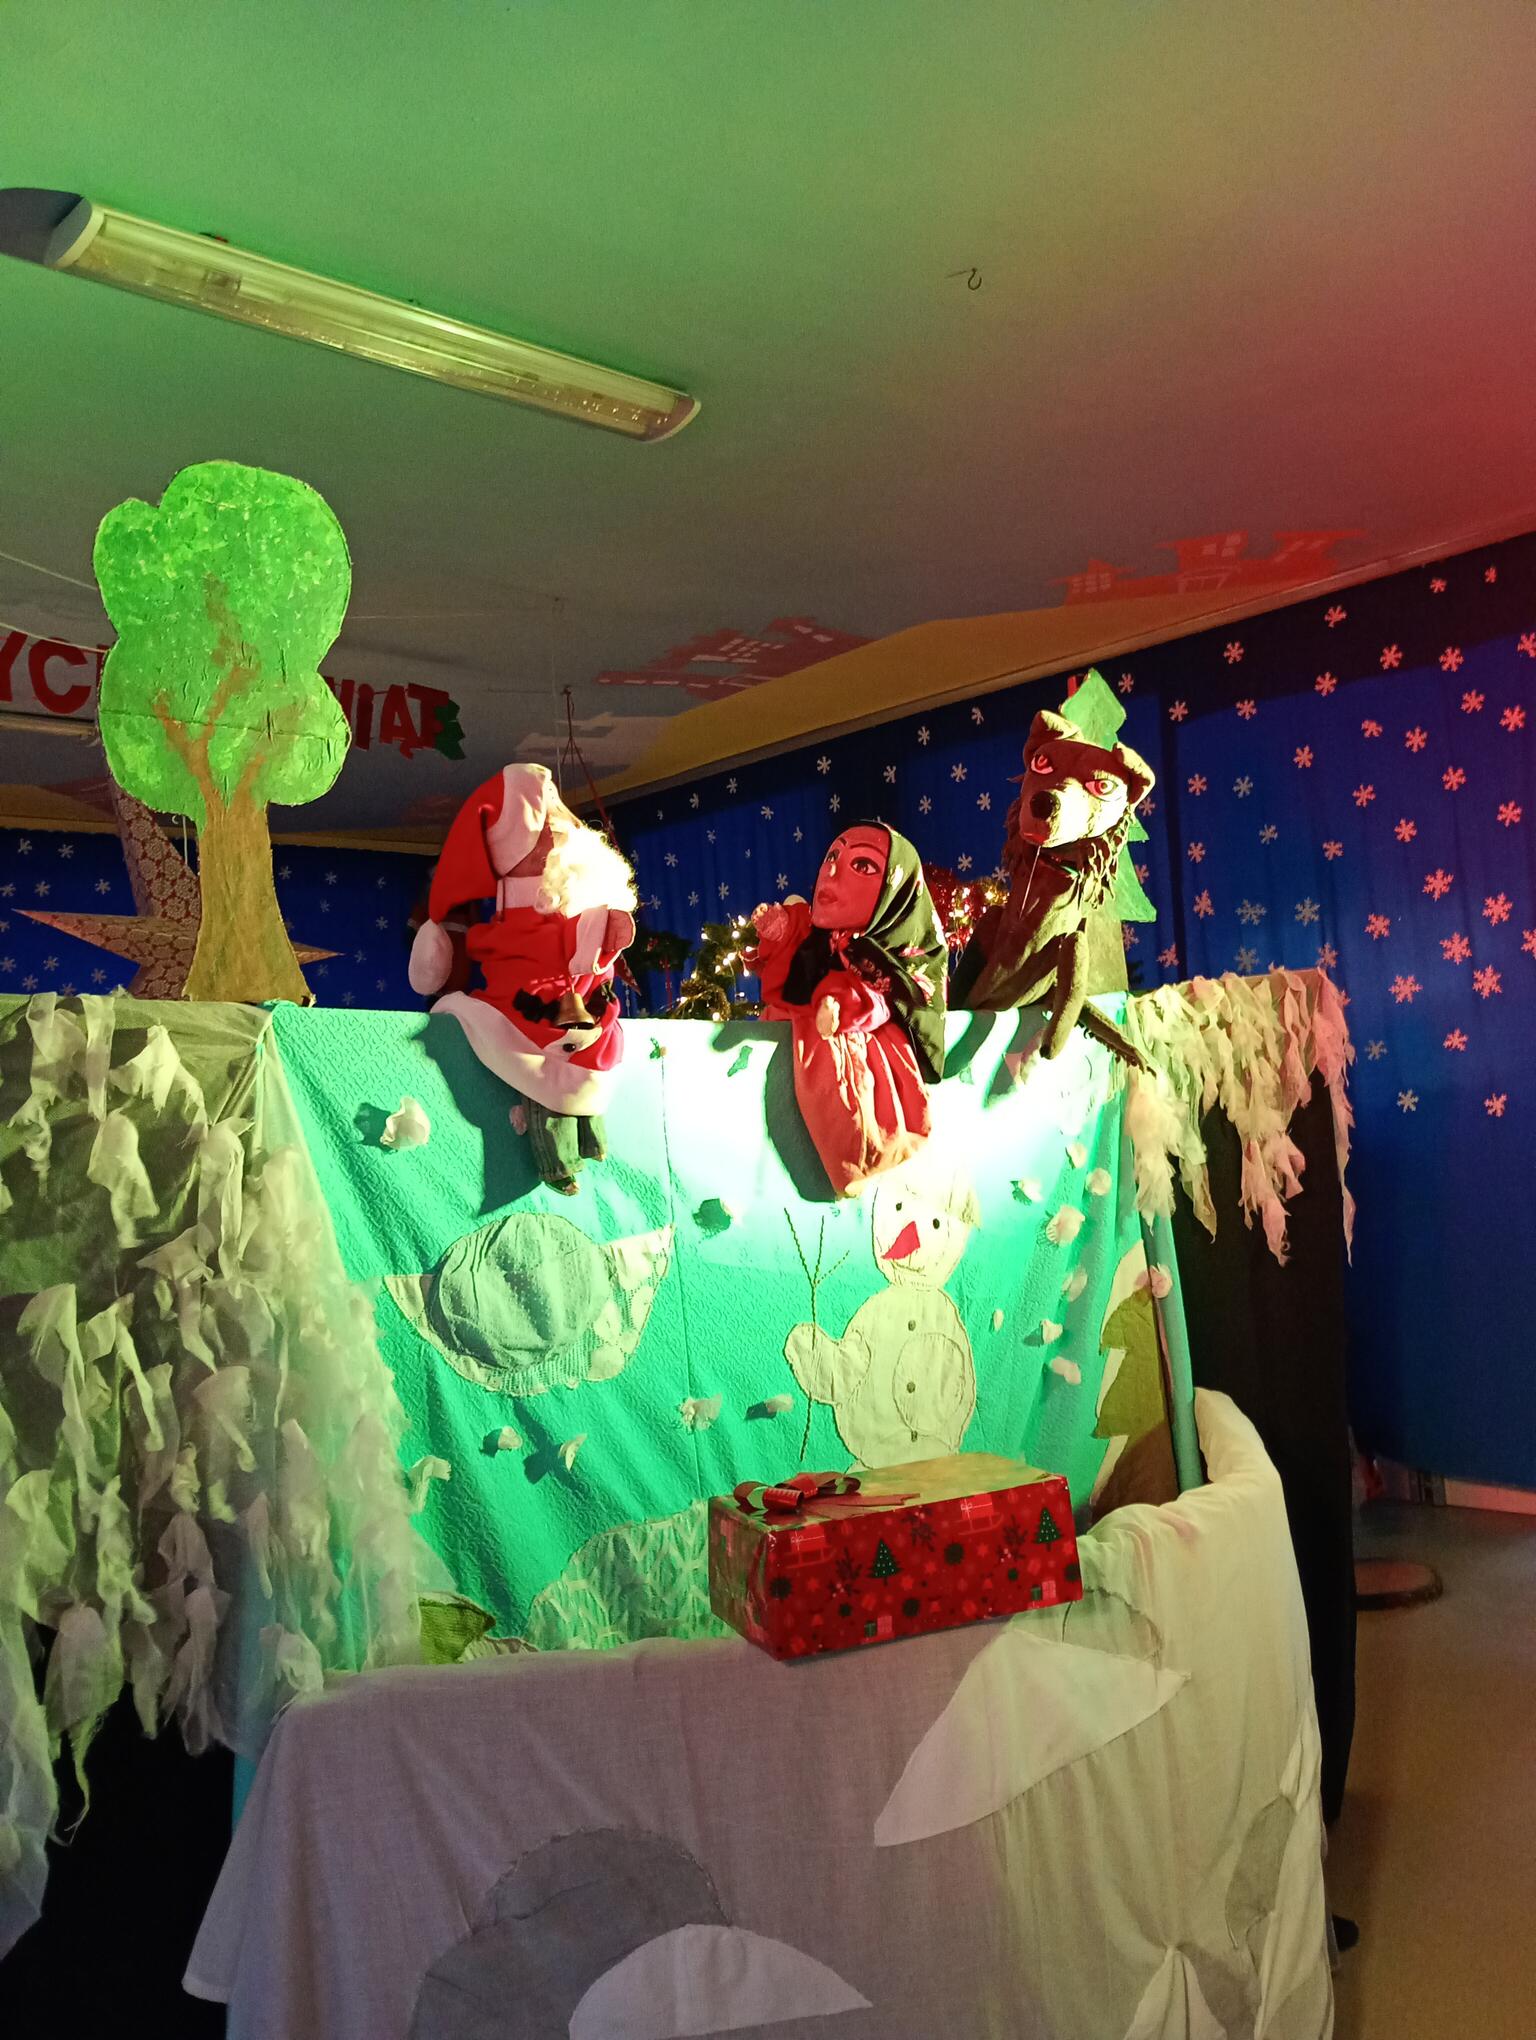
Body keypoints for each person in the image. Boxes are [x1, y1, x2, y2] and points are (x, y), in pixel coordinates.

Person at [409, 763, 636, 1193]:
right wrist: (597, 934)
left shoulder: (570, 896)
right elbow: (539, 951)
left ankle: (590, 1137)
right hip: (528, 1011)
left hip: (577, 1007)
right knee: (541, 1069)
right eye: (547, 835)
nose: (559, 836)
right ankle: (557, 1161)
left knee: (585, 1053)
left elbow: (577, 944)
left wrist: (603, 933)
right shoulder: (516, 918)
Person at [749, 821, 947, 1197]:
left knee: (847, 1077)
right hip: (816, 1017)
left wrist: (844, 1004)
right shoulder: (818, 940)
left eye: (863, 865)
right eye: (832, 857)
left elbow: (892, 998)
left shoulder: (893, 956)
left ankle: (862, 1158)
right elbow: (791, 972)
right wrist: (780, 931)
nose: (833, 871)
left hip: (852, 1020)